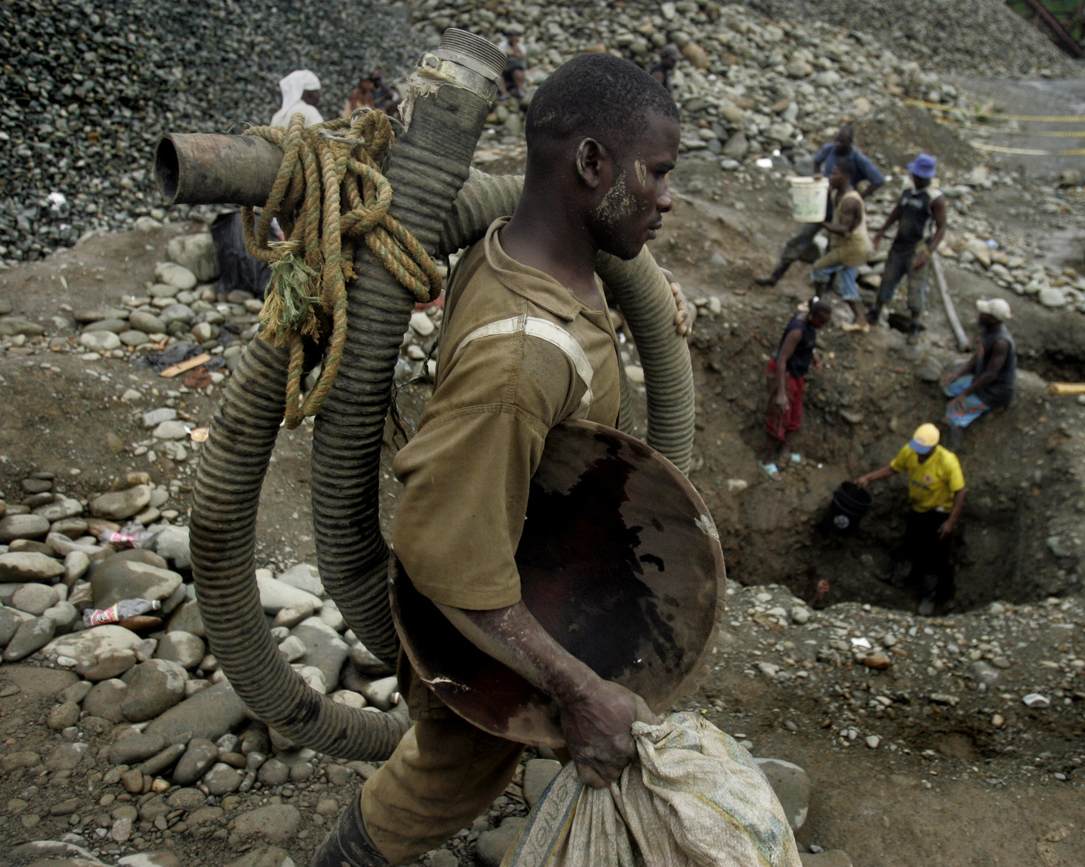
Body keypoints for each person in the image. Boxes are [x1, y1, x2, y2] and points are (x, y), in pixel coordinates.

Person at [311, 52, 685, 867]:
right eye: (656, 174)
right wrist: (575, 689)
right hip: (487, 619)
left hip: (537, 557)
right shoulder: (522, 363)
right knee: (442, 777)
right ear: (591, 163)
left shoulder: (530, 254)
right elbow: (449, 558)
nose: (666, 197)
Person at [855, 423, 966, 616]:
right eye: (918, 451)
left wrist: (950, 522)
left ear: (934, 447)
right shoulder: (910, 451)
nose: (919, 455)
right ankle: (898, 576)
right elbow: (893, 468)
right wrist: (869, 478)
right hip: (918, 508)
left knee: (934, 556)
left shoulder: (948, 462)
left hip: (939, 513)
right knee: (910, 543)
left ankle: (928, 597)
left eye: (924, 452)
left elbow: (960, 491)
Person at [755, 124, 886, 287]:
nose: (838, 144)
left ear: (850, 142)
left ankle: (826, 287)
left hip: (841, 210)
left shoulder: (858, 160)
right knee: (800, 238)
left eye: (842, 142)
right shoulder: (830, 149)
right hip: (821, 205)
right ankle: (776, 275)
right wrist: (817, 174)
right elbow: (817, 161)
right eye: (837, 140)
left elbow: (878, 180)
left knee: (834, 248)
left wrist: (859, 196)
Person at [866, 153, 947, 345]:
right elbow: (898, 211)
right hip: (899, 244)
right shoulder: (908, 190)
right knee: (888, 279)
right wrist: (881, 231)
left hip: (917, 248)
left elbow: (941, 227)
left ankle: (914, 327)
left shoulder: (935, 198)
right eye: (915, 176)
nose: (916, 179)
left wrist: (927, 253)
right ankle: (875, 312)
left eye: (920, 177)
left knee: (916, 288)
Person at [759, 300, 832, 481]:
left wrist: (813, 356)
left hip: (797, 375)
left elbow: (809, 342)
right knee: (779, 416)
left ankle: (785, 451)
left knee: (794, 416)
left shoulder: (809, 323)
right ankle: (767, 459)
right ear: (813, 317)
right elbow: (782, 359)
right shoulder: (797, 330)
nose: (822, 326)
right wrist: (782, 393)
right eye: (821, 322)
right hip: (786, 375)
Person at [938, 297, 1017, 450]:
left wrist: (965, 394)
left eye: (984, 313)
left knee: (952, 414)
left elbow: (990, 375)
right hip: (979, 380)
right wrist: (958, 375)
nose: (979, 314)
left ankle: (950, 449)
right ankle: (973, 406)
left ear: (993, 319)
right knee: (948, 387)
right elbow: (978, 355)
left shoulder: (1001, 343)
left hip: (993, 391)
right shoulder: (989, 331)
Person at [810, 162, 872, 331]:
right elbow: (822, 191)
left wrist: (822, 223)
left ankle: (816, 305)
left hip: (852, 247)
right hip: (854, 246)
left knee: (819, 268)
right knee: (847, 284)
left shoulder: (850, 201)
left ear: (846, 177)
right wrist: (818, 181)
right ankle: (861, 321)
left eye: (835, 174)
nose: (831, 177)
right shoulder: (839, 192)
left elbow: (845, 229)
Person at [497, 25, 527, 99]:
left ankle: (520, 91)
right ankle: (504, 93)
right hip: (505, 68)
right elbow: (501, 55)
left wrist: (515, 46)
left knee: (518, 71)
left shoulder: (521, 46)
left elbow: (521, 57)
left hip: (515, 68)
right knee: (499, 75)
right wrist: (513, 54)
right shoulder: (502, 45)